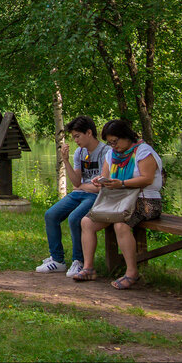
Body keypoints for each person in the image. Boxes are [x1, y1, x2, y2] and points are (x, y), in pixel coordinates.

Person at [71, 118, 164, 289]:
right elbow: (106, 175)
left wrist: (121, 183)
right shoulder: (111, 154)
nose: (113, 146)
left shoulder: (143, 151)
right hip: (117, 200)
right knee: (87, 222)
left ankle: (131, 272)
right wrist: (101, 181)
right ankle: (88, 268)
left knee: (121, 225)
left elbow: (147, 178)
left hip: (146, 200)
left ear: (126, 136)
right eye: (110, 143)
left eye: (115, 141)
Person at [35, 116, 108, 276]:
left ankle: (79, 261)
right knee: (51, 215)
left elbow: (101, 186)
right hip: (79, 193)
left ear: (89, 133)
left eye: (77, 136)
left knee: (75, 218)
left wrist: (82, 186)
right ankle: (57, 260)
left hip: (96, 196)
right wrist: (65, 160)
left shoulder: (105, 152)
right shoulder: (80, 153)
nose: (75, 140)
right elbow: (75, 181)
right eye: (74, 137)